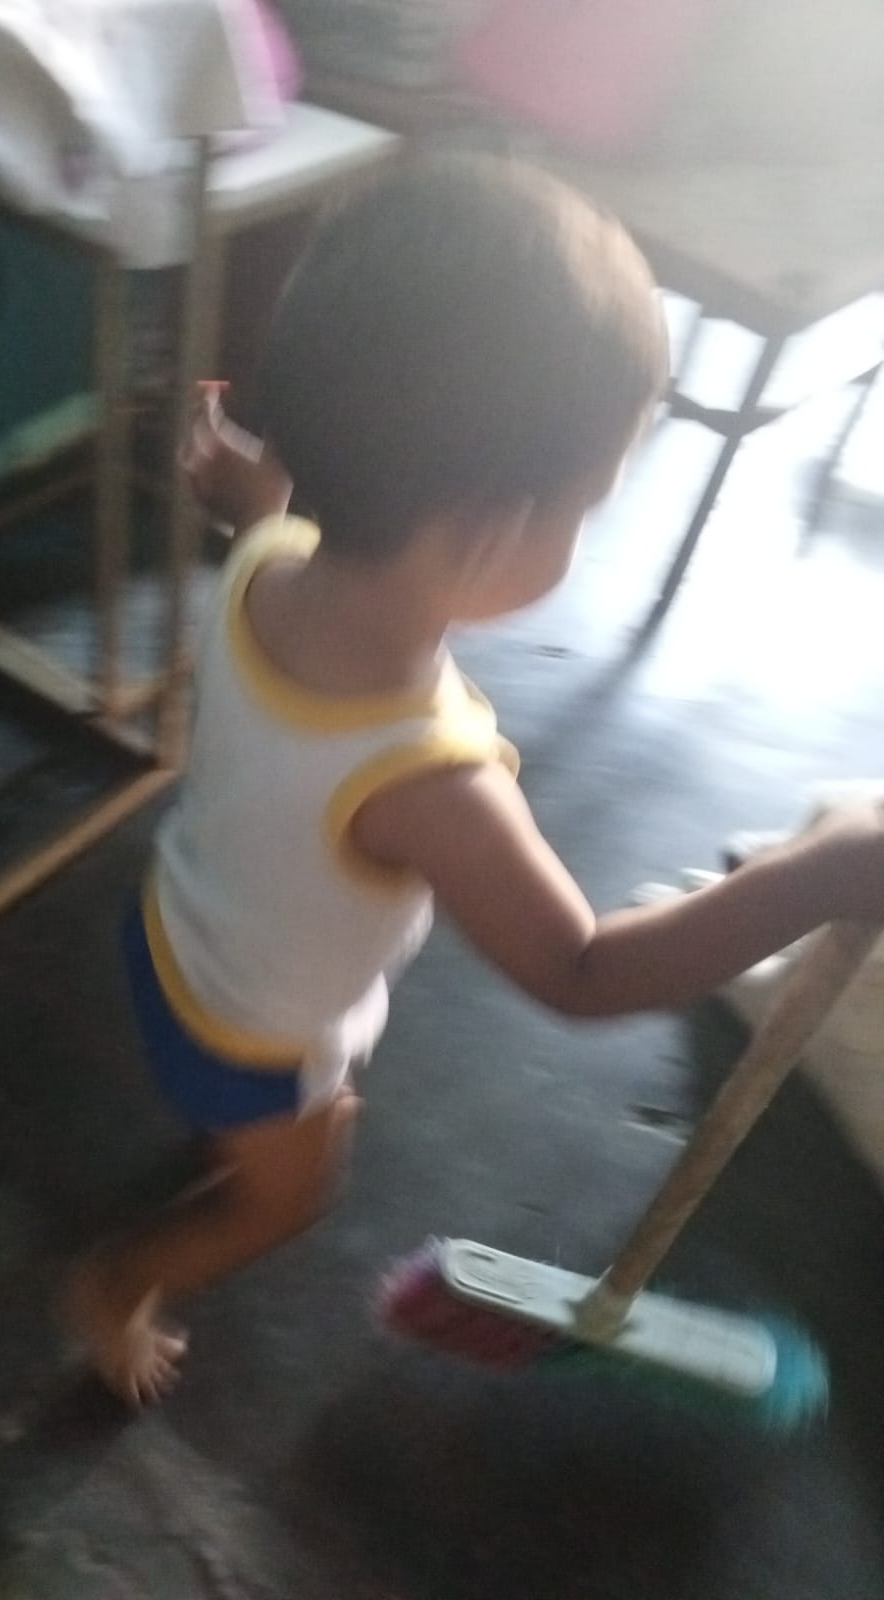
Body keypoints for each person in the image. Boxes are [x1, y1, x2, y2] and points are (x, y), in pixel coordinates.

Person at [59, 155, 884, 1405]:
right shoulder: (425, 780)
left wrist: (248, 483)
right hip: (257, 1035)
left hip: (177, 927)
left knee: (266, 1113)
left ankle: (220, 1133)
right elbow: (585, 970)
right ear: (496, 530)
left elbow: (275, 503)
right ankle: (119, 1283)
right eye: (588, 507)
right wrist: (824, 872)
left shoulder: (270, 556)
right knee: (288, 1197)